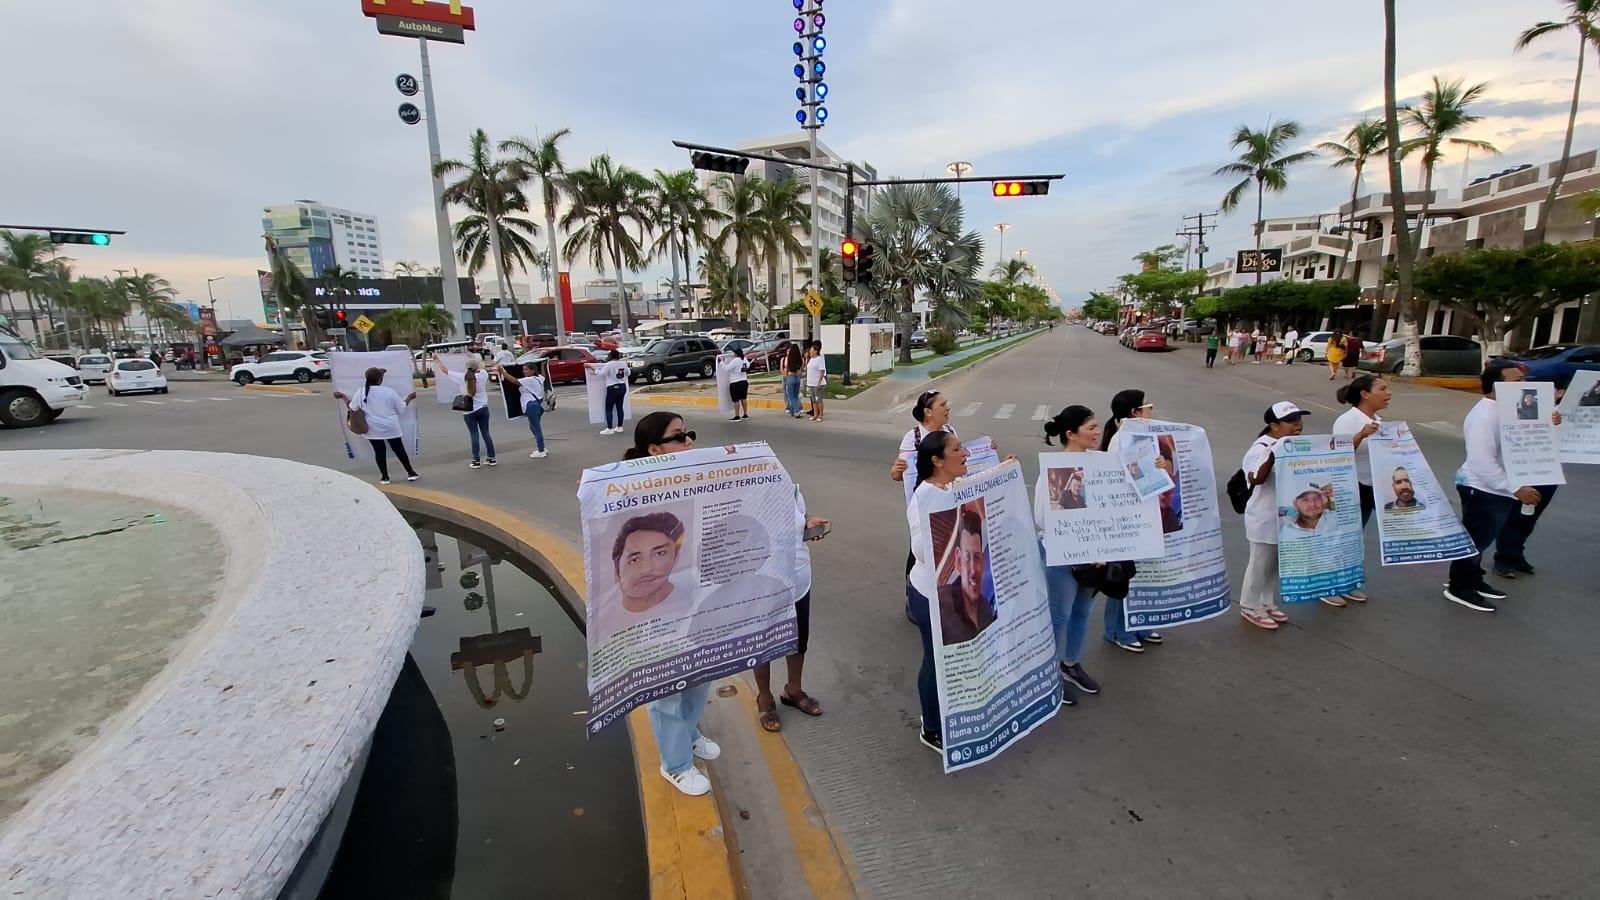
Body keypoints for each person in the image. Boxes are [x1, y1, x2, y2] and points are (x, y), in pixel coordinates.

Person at [616, 412, 719, 795]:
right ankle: (674, 764)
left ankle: (689, 734)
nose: (689, 441)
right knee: (667, 684)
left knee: (698, 673)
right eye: (679, 437)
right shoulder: (625, 490)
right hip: (655, 608)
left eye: (690, 434)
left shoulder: (696, 479)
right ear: (654, 449)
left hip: (694, 594)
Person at [1447, 361, 1561, 612]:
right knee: (1474, 541)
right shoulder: (1486, 415)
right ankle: (1459, 587)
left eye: (1524, 380)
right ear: (1496, 386)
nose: (1524, 385)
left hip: (1500, 489)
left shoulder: (1511, 408)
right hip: (1484, 488)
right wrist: (1514, 488)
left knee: (1483, 541)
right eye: (1516, 381)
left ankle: (1474, 580)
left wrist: (1551, 420)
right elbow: (1481, 462)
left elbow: (1530, 439)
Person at [1037, 405, 1105, 704]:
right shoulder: (1053, 471)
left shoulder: (1104, 464)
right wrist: (1079, 544)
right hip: (1061, 556)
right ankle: (1047, 675)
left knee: (1082, 613)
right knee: (1058, 616)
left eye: (1097, 426)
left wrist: (1153, 468)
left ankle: (1070, 664)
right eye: (1090, 427)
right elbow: (1042, 520)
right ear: (1070, 434)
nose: (1097, 432)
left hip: (1096, 556)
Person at [907, 430, 970, 753]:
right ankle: (931, 726)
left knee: (953, 658)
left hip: (957, 589)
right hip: (930, 594)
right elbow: (920, 548)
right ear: (937, 461)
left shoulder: (956, 485)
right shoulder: (926, 496)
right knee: (935, 661)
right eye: (958, 450)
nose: (966, 454)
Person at [1098, 389, 1171, 652]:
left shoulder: (1140, 436)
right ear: (1134, 413)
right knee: (1122, 577)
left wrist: (1159, 465)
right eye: (1148, 406)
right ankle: (1116, 630)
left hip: (1143, 513)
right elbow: (1129, 478)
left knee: (1137, 576)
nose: (1152, 410)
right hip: (1125, 517)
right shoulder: (1123, 440)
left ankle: (1136, 623)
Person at [1238, 401, 1309, 629]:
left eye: (1299, 420)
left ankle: (1266, 601)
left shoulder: (1293, 445)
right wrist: (1273, 455)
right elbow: (1255, 478)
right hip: (1264, 515)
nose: (1297, 425)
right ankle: (1250, 604)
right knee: (1260, 563)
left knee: (1276, 563)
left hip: (1286, 515)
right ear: (1273, 425)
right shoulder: (1261, 447)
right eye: (1290, 421)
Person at [1330, 373, 1390, 605]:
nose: (1388, 394)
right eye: (1382, 389)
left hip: (1371, 486)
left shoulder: (1380, 421)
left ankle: (1346, 582)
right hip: (1349, 487)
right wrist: (1361, 435)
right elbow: (1338, 454)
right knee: (1339, 537)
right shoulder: (1347, 421)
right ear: (1365, 394)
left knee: (1354, 538)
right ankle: (1327, 585)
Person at [334, 366, 419, 485]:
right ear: (380, 380)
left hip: (373, 429)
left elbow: (352, 407)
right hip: (391, 427)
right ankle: (410, 473)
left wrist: (343, 396)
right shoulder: (388, 391)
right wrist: (409, 397)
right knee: (399, 450)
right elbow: (402, 408)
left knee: (379, 452)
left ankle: (385, 477)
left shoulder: (361, 391)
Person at [936, 508, 997, 645]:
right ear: (958, 561)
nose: (973, 571)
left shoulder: (986, 609)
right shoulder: (942, 606)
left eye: (977, 557)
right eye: (967, 558)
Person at [434, 353, 497, 468]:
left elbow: (445, 370)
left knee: (474, 435)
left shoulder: (462, 377)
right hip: (483, 408)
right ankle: (491, 458)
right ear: (477, 367)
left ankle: (476, 460)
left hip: (469, 411)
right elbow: (481, 366)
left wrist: (437, 360)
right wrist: (473, 358)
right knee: (486, 433)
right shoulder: (483, 375)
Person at [497, 359, 549, 459]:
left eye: (526, 369)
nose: (524, 371)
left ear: (532, 370)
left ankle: (541, 450)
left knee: (536, 429)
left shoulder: (529, 380)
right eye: (523, 369)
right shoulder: (539, 378)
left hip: (531, 405)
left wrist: (503, 372)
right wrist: (543, 365)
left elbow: (515, 381)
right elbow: (544, 375)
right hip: (537, 405)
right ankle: (542, 447)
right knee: (533, 427)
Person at [593, 349, 631, 435]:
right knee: (620, 407)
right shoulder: (623, 364)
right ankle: (620, 427)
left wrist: (593, 369)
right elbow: (628, 373)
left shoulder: (609, 364)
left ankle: (609, 428)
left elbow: (602, 373)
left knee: (609, 408)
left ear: (610, 356)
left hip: (612, 387)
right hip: (622, 386)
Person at [721, 348, 751, 421]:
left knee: (736, 399)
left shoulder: (735, 360)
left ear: (736, 354)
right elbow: (748, 365)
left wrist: (721, 363)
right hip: (744, 381)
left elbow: (727, 369)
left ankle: (737, 416)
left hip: (735, 382)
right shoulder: (744, 359)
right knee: (743, 398)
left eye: (734, 353)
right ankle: (745, 414)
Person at [780, 342, 805, 418]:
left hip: (791, 377)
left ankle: (797, 411)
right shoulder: (800, 359)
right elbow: (802, 369)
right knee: (795, 395)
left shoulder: (789, 358)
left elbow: (787, 369)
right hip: (797, 378)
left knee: (791, 396)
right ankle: (792, 411)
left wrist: (787, 375)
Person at [804, 340, 827, 422]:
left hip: (817, 383)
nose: (810, 351)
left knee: (818, 399)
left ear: (816, 351)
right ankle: (815, 414)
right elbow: (807, 368)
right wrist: (806, 358)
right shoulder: (811, 359)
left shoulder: (819, 359)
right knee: (813, 400)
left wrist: (819, 382)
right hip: (810, 383)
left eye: (811, 350)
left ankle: (820, 415)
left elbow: (822, 371)